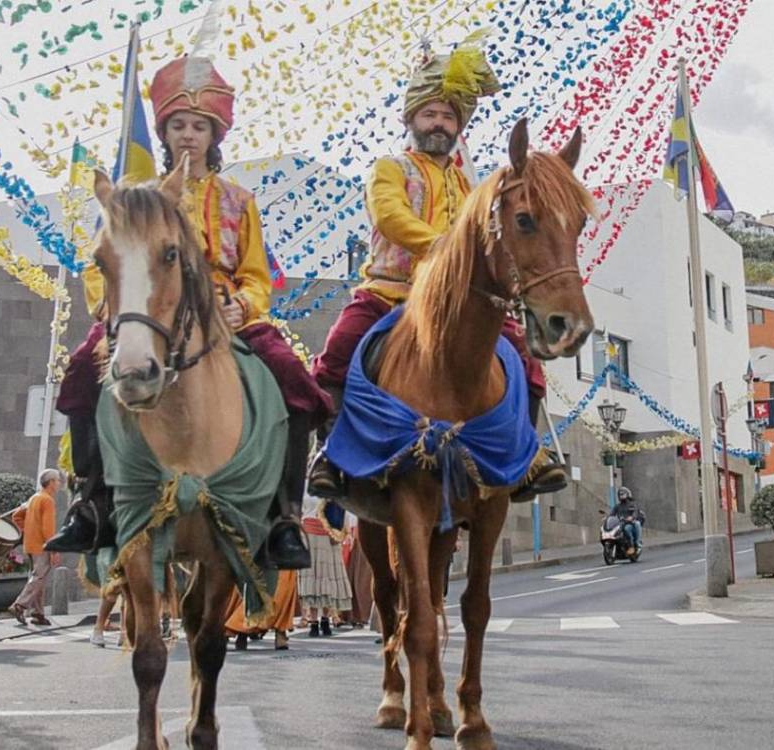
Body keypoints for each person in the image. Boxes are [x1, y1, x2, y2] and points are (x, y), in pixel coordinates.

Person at [308, 40, 565, 502]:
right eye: (429, 114)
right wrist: (442, 248)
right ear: (411, 119)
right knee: (337, 351)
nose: (439, 124)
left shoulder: (469, 186)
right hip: (391, 292)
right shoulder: (390, 168)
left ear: (459, 126)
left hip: (456, 300)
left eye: (448, 116)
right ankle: (329, 453)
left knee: (524, 357)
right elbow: (390, 216)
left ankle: (528, 455)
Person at [139, 53, 333, 570]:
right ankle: (92, 502)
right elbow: (112, 264)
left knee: (297, 383)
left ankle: (285, 515)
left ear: (214, 135)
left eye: (198, 126)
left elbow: (255, 274)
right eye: (178, 125)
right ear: (164, 132)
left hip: (228, 315)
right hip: (156, 315)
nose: (188, 135)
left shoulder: (239, 200)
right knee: (82, 374)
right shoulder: (142, 199)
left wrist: (241, 304)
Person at [11, 468, 61, 626]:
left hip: (30, 544)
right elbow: (48, 529)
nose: (59, 484)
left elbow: (16, 516)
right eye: (57, 480)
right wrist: (54, 550)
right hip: (42, 546)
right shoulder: (47, 500)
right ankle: (20, 604)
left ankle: (38, 613)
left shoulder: (34, 498)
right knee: (39, 577)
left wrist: (29, 530)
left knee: (38, 578)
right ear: (51, 482)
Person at [298, 496, 353, 637]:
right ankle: (314, 622)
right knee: (313, 579)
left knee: (328, 578)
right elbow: (298, 511)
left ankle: (325, 620)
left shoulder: (331, 489)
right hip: (309, 533)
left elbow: (342, 510)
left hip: (329, 534)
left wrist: (344, 532)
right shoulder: (305, 488)